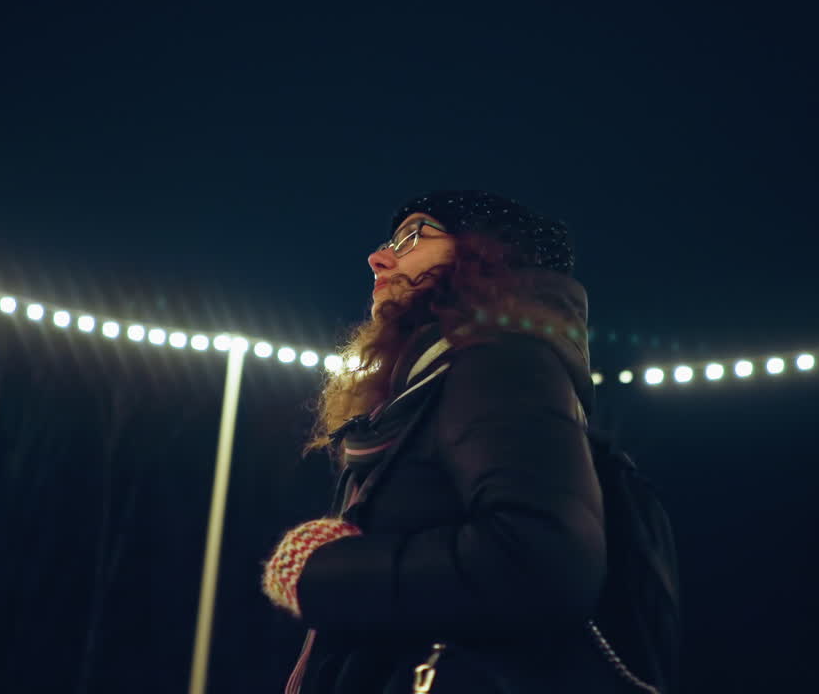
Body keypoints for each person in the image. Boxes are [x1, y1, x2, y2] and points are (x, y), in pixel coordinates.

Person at [262, 190, 618, 693]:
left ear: (488, 251)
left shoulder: (502, 363)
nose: (380, 256)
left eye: (414, 235)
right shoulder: (434, 381)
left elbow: (541, 563)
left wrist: (326, 571)